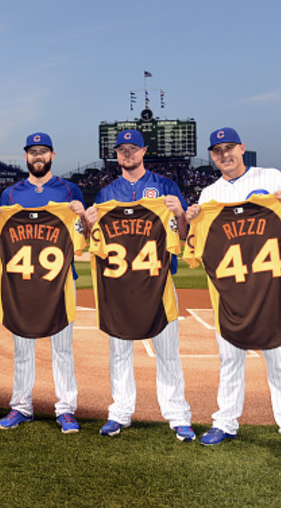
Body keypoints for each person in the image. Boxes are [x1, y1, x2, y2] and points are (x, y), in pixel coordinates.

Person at [184, 127, 281, 461]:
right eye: (217, 151)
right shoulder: (208, 194)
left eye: (229, 148)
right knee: (229, 361)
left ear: (242, 148)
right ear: (212, 156)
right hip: (229, 294)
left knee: (279, 364)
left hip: (269, 291)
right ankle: (225, 422)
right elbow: (193, 244)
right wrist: (190, 219)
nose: (224, 155)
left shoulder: (270, 177)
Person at [83, 129, 194, 440]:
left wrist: (180, 214)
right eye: (121, 149)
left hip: (158, 282)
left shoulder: (165, 186)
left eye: (132, 148)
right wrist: (91, 223)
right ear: (116, 155)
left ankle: (177, 415)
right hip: (118, 285)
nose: (126, 154)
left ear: (144, 151)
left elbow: (183, 234)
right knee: (119, 351)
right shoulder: (106, 194)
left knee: (168, 351)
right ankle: (120, 412)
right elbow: (94, 240)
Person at [0, 132, 85, 433]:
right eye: (32, 152)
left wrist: (84, 217)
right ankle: (20, 406)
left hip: (59, 282)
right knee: (23, 350)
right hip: (22, 283)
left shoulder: (70, 189)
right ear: (26, 157)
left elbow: (85, 237)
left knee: (63, 349)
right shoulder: (11, 195)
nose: (37, 156)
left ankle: (66, 409)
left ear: (52, 155)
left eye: (43, 151)